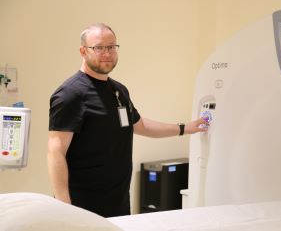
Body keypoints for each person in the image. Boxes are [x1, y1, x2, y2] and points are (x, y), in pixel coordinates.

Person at [47, 23, 208, 218]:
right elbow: (56, 151)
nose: (107, 53)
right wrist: (64, 207)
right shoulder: (71, 94)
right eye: (99, 47)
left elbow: (139, 126)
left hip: (118, 201)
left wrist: (184, 128)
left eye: (111, 47)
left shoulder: (118, 91)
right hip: (83, 206)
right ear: (83, 51)